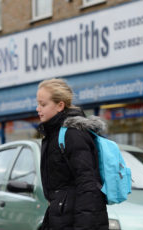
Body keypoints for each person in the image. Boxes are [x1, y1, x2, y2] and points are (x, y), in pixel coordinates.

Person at [36, 78, 108, 230]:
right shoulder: (53, 135)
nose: (38, 109)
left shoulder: (73, 135)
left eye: (43, 104)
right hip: (62, 217)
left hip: (77, 221)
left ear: (60, 105)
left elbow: (88, 185)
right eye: (38, 104)